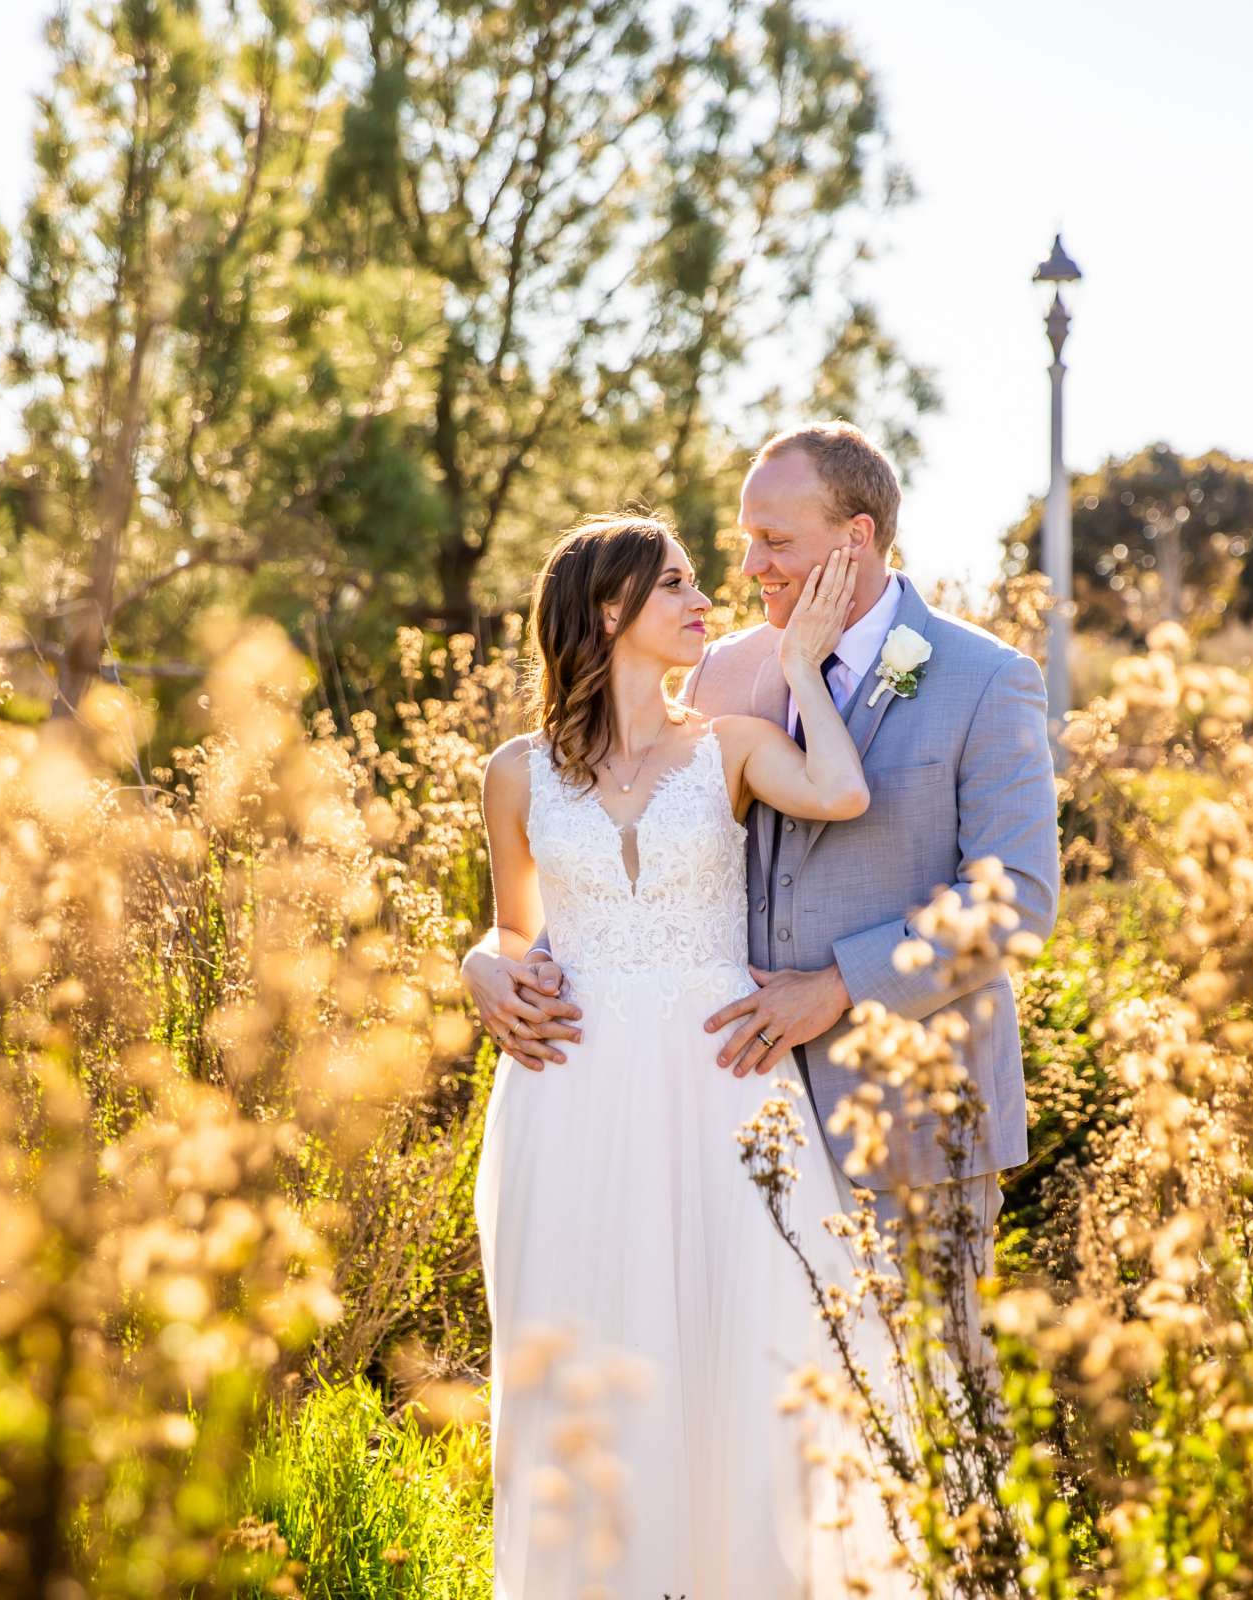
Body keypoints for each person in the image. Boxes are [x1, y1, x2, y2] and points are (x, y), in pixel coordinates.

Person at [469, 421, 1061, 1360]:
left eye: (774, 542)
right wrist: (493, 964)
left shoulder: (986, 681)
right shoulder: (718, 668)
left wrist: (832, 988)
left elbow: (1016, 902)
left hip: (904, 1120)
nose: (750, 567)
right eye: (745, 540)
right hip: (721, 1116)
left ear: (855, 538)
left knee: (930, 1419)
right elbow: (638, 875)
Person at [466, 512, 905, 1597]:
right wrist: (481, 962)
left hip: (719, 1086)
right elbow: (515, 928)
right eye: (674, 584)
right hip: (569, 1092)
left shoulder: (733, 746)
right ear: (609, 611)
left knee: (746, 1350)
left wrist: (800, 665)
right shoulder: (514, 773)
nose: (703, 597)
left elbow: (844, 792)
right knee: (587, 1357)